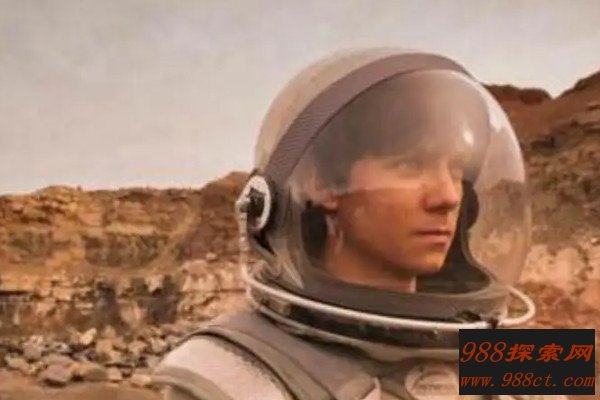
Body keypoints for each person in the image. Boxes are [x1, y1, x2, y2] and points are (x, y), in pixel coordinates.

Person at [152, 48, 565, 400]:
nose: (448, 196)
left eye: (456, 170)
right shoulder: (227, 375)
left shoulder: (522, 358)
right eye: (410, 166)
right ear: (324, 184)